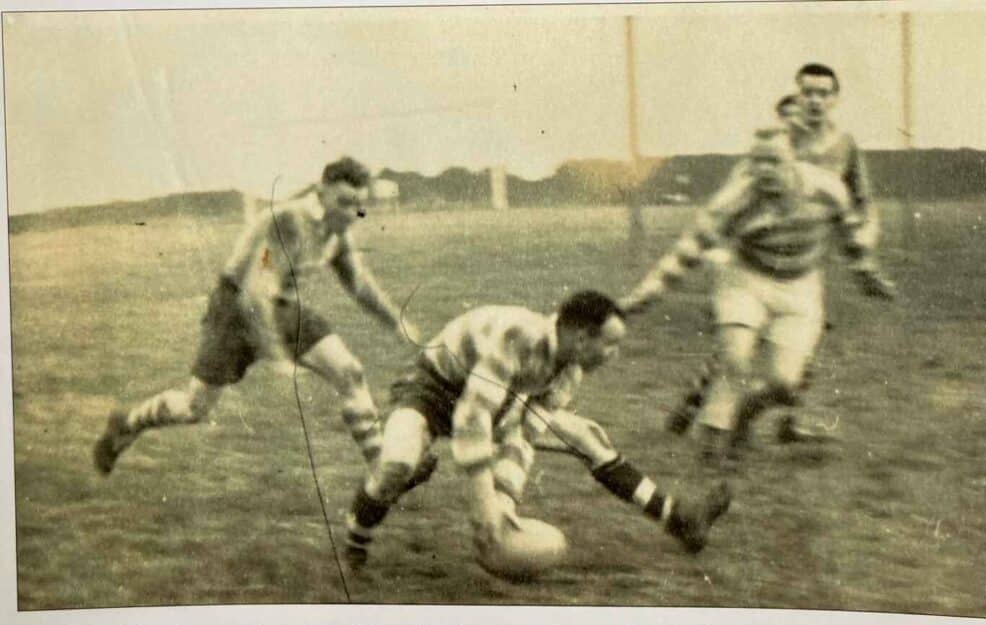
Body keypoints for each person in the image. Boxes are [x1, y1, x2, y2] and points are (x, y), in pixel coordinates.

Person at [342, 290, 729, 571]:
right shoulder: (519, 337)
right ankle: (356, 537)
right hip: (432, 390)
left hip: (498, 402)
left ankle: (679, 519)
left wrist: (504, 507)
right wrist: (483, 504)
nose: (614, 355)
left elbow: (521, 436)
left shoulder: (569, 370)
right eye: (610, 345)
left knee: (586, 437)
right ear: (581, 338)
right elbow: (472, 417)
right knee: (396, 464)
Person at [93, 157, 419, 476]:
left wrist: (396, 322)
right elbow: (256, 290)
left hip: (283, 307)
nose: (352, 213)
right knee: (194, 408)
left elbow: (359, 285)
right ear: (321, 192)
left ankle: (382, 473)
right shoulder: (287, 220)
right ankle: (127, 422)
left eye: (359, 205)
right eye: (345, 202)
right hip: (235, 310)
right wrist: (276, 353)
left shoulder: (337, 233)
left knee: (349, 372)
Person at [620, 128, 894, 464]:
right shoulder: (735, 200)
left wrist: (868, 275)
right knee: (735, 359)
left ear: (793, 160)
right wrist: (644, 296)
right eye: (757, 162)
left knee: (783, 383)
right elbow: (686, 253)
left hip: (800, 286)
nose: (764, 170)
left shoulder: (828, 190)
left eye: (773, 161)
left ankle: (743, 421)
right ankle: (711, 453)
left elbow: (850, 236)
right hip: (745, 279)